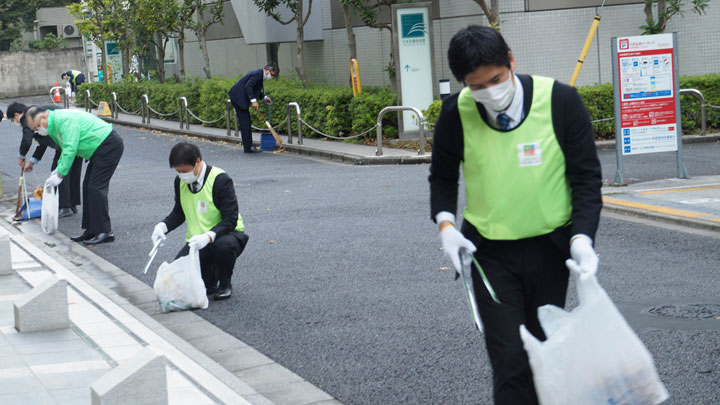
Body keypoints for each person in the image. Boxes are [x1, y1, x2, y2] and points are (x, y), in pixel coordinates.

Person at [428, 25, 602, 404]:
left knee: (542, 352)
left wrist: (582, 238)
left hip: (550, 249)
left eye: (496, 79)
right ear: (463, 84)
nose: (490, 92)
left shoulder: (560, 101)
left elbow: (586, 179)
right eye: (476, 87)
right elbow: (442, 177)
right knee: (509, 360)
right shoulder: (456, 113)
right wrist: (446, 226)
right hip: (491, 254)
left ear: (511, 61)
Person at [151, 142, 248, 300]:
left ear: (197, 161)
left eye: (185, 171)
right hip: (197, 242)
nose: (182, 175)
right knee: (178, 281)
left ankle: (225, 284)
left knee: (223, 247)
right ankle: (210, 280)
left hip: (225, 234)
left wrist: (209, 236)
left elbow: (231, 218)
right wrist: (162, 227)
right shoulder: (180, 182)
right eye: (178, 172)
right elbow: (179, 212)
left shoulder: (220, 179)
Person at [26, 107, 124, 245]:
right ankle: (91, 229)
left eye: (36, 127)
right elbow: (63, 149)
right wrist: (57, 170)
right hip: (98, 149)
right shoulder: (53, 126)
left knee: (96, 188)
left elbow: (71, 147)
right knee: (88, 187)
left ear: (43, 117)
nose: (38, 131)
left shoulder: (64, 120)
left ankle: (105, 231)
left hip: (108, 145)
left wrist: (60, 174)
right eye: (34, 130)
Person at [6, 102, 83, 217]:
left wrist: (22, 156)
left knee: (58, 170)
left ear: (17, 115)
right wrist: (32, 161)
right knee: (73, 171)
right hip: (75, 136)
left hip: (65, 139)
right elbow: (42, 142)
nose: (15, 123)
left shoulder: (28, 116)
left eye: (13, 120)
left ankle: (65, 206)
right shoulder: (37, 111)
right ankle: (72, 204)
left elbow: (27, 140)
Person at [228, 63, 279, 153]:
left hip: (240, 97)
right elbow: (249, 86)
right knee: (245, 122)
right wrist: (253, 100)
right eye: (272, 74)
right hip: (238, 97)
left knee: (246, 122)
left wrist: (264, 97)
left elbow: (256, 89)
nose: (271, 77)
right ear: (267, 70)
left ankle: (248, 146)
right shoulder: (257, 74)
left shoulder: (260, 75)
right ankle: (248, 147)